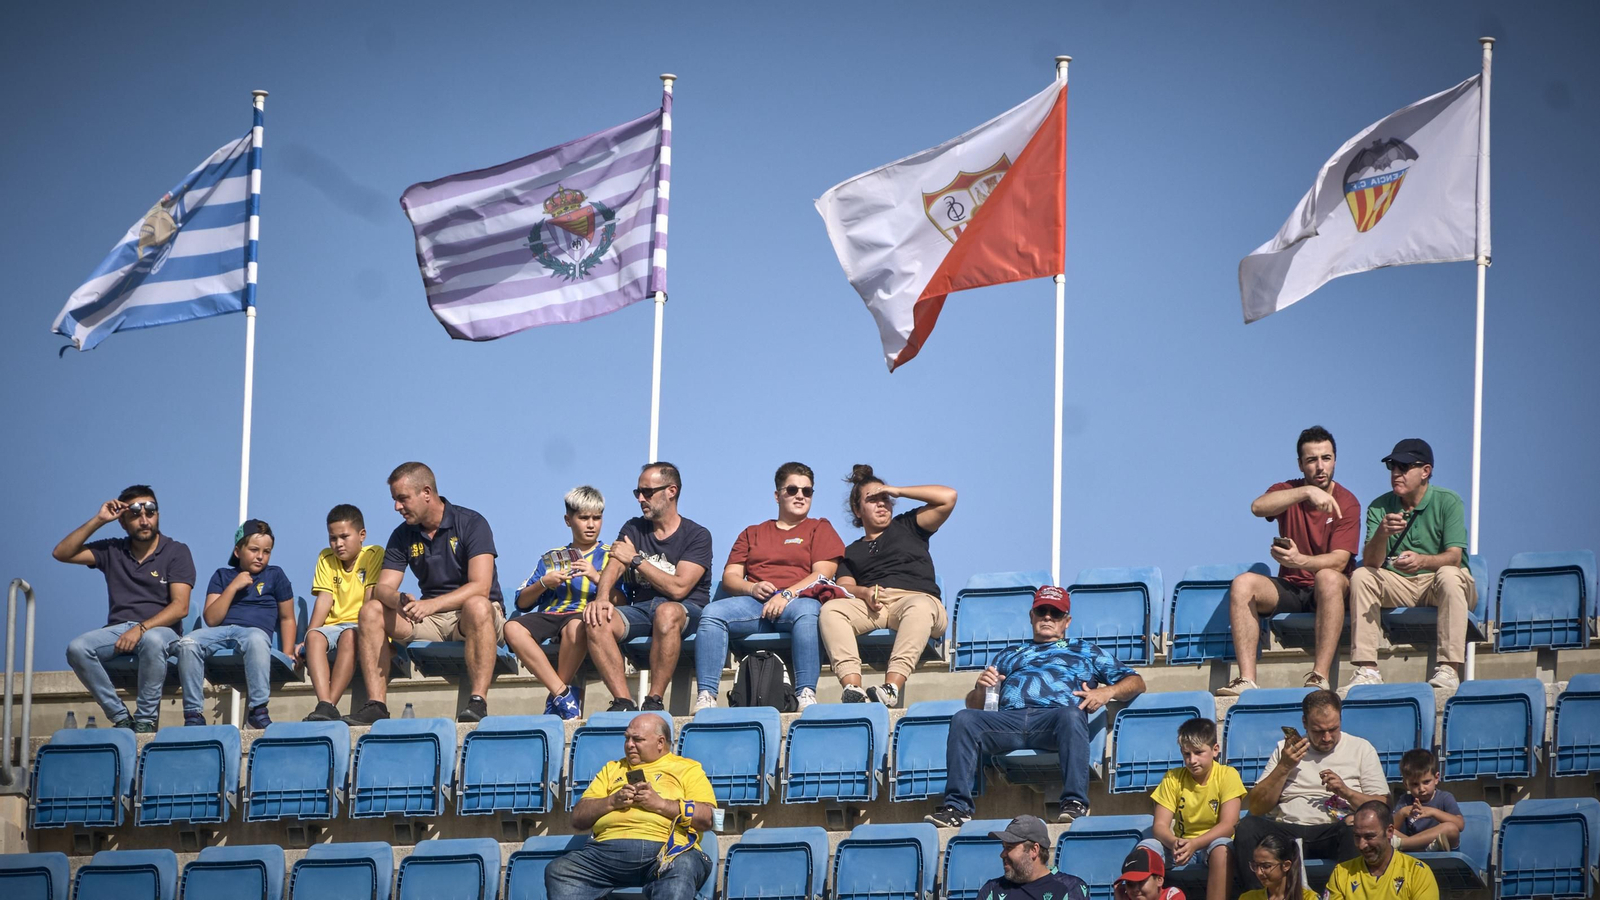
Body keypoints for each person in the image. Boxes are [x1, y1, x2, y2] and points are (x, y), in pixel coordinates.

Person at [926, 585, 1146, 827]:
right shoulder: (1009, 653)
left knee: (1072, 715)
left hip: (1054, 721)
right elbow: (975, 705)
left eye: (1056, 613)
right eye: (1042, 611)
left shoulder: (1085, 650)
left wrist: (1107, 691)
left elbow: (1136, 682)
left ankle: (1074, 803)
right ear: (1032, 616)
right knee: (964, 718)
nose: (1048, 617)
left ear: (1067, 621)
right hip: (1008, 722)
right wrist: (980, 689)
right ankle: (957, 808)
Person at [345, 462, 506, 725]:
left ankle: (478, 703)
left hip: (474, 617)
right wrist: (398, 600)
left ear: (426, 493)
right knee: (371, 610)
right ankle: (376, 706)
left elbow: (481, 586)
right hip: (430, 620)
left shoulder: (472, 522)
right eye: (395, 499)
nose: (397, 507)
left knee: (477, 605)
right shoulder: (401, 535)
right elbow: (383, 588)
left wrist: (431, 605)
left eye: (402, 498)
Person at [694, 462, 845, 712]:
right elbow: (730, 576)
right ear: (777, 495)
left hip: (797, 602)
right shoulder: (752, 532)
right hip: (755, 605)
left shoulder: (819, 528)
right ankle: (706, 695)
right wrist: (751, 588)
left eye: (807, 491)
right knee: (712, 614)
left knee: (809, 611)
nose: (800, 496)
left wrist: (786, 594)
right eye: (792, 490)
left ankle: (805, 693)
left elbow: (823, 573)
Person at [1222, 426, 1360, 694]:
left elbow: (1339, 562)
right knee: (1243, 584)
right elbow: (1258, 507)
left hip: (1330, 590)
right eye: (1311, 460)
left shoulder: (1347, 502)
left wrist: (1299, 560)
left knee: (1328, 577)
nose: (1320, 467)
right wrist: (1306, 492)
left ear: (1335, 460)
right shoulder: (1289, 490)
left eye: (1326, 458)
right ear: (1300, 464)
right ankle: (1247, 680)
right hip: (1293, 588)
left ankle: (1319, 676)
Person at [55, 486, 195, 732]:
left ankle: (145, 721)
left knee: (152, 639)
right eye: (135, 515)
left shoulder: (176, 551)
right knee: (77, 648)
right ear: (122, 521)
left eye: (150, 513)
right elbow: (62, 553)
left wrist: (140, 629)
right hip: (119, 630)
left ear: (158, 515)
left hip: (162, 631)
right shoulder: (113, 550)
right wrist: (99, 519)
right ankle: (120, 717)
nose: (145, 520)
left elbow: (180, 607)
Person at [821, 464, 957, 707]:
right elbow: (844, 586)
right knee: (831, 610)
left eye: (885, 498)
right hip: (876, 606)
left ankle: (891, 688)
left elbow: (948, 496)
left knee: (919, 606)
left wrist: (898, 490)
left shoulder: (909, 525)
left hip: (918, 601)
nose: (882, 504)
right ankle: (853, 688)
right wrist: (863, 592)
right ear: (857, 509)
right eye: (872, 499)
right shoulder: (851, 551)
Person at [1345, 439, 1473, 691]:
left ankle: (1449, 669)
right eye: (1392, 466)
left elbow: (1454, 557)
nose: (1396, 473)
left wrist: (1422, 560)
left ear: (1425, 471)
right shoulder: (1379, 506)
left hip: (1437, 582)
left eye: (1403, 467)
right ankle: (1367, 669)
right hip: (1399, 584)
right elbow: (1371, 563)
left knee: (1449, 574)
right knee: (1361, 575)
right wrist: (1381, 534)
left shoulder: (1448, 501)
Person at [1233, 690, 1389, 894]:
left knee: (1354, 830)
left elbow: (1382, 807)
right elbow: (1256, 806)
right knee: (1247, 827)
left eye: (1333, 729)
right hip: (1287, 830)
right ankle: (1258, 897)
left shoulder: (1361, 749)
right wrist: (1284, 767)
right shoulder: (1286, 750)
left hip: (1334, 830)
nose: (1327, 738)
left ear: (1341, 719)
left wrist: (1346, 792)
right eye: (1318, 731)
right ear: (1304, 723)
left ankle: (1349, 895)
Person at [545, 714, 717, 899]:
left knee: (683, 867)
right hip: (606, 853)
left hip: (667, 852)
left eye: (637, 739)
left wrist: (661, 804)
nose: (629, 745)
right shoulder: (612, 769)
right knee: (560, 870)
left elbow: (710, 818)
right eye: (626, 738)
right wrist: (611, 801)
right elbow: (578, 818)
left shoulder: (687, 769)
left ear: (660, 742)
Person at [587, 462, 713, 712]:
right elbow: (615, 565)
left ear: (671, 491)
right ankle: (623, 701)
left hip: (685, 609)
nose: (640, 499)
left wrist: (636, 560)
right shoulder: (633, 528)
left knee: (667, 612)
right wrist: (601, 598)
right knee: (596, 619)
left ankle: (654, 700)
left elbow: (678, 589)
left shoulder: (697, 535)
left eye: (647, 492)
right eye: (638, 492)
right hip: (642, 609)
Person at [504, 485, 620, 720]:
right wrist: (544, 583)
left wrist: (596, 577)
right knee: (511, 627)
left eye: (597, 518)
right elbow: (521, 603)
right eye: (584, 518)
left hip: (585, 616)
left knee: (575, 627)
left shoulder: (612, 556)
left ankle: (557, 700)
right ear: (568, 520)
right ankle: (562, 694)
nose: (591, 524)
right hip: (552, 615)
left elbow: (624, 600)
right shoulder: (551, 558)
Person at [174, 519, 295, 728]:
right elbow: (212, 619)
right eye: (254, 550)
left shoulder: (275, 575)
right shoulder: (222, 575)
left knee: (256, 639)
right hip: (221, 633)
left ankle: (258, 710)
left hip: (252, 633)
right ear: (238, 551)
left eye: (266, 552)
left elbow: (287, 618)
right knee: (187, 643)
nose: (260, 556)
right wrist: (233, 587)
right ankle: (193, 714)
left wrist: (288, 652)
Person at [1141, 717, 1245, 900]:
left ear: (1215, 750)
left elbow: (1229, 825)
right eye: (1186, 754)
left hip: (1212, 845)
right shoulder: (1172, 778)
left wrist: (1195, 844)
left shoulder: (1227, 775)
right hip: (1180, 845)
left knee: (1221, 848)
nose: (1192, 760)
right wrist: (1174, 843)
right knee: (1145, 849)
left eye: (1198, 752)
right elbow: (1160, 826)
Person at [300, 504, 383, 721]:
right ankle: (324, 704)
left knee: (349, 636)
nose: (338, 544)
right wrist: (307, 635)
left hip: (360, 625)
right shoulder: (326, 558)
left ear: (362, 535)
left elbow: (370, 597)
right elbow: (324, 599)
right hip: (333, 626)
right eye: (333, 538)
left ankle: (329, 705)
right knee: (314, 637)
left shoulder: (373, 554)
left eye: (344, 537)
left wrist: (365, 629)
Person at [1324, 801, 1440, 900]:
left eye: (1369, 837)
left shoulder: (1417, 873)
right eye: (1357, 836)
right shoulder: (1341, 873)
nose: (1362, 845)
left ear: (1389, 832)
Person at [973, 815, 1091, 900]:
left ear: (1034, 850)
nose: (1002, 854)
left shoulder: (1069, 888)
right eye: (1003, 847)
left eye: (1009, 848)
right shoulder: (992, 890)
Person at [1393, 749, 1463, 852]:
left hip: (1441, 851)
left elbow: (1460, 825)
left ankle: (1404, 844)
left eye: (1426, 782)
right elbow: (1391, 828)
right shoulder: (1405, 801)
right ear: (1406, 784)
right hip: (1414, 852)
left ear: (1436, 778)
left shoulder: (1444, 797)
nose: (1421, 789)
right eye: (1415, 784)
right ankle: (1420, 849)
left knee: (1450, 828)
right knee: (1383, 831)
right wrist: (1402, 813)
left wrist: (1433, 812)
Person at [1237, 834, 1318, 900]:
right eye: (1256, 865)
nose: (1259, 872)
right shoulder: (1247, 898)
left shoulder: (1309, 898)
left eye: (1266, 866)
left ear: (1286, 865)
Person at [1114, 846, 1187, 900]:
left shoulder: (1172, 894)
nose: (1135, 889)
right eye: (1130, 884)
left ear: (1159, 880)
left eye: (1141, 881)